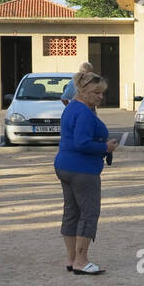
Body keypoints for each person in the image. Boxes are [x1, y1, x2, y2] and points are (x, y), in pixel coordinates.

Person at [54, 70, 119, 275]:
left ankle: (71, 258)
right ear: (82, 90)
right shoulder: (83, 112)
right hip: (82, 169)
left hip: (64, 165)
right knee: (89, 214)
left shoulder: (72, 107)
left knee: (71, 212)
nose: (100, 97)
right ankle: (81, 261)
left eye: (101, 93)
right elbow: (82, 143)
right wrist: (105, 148)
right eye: (96, 92)